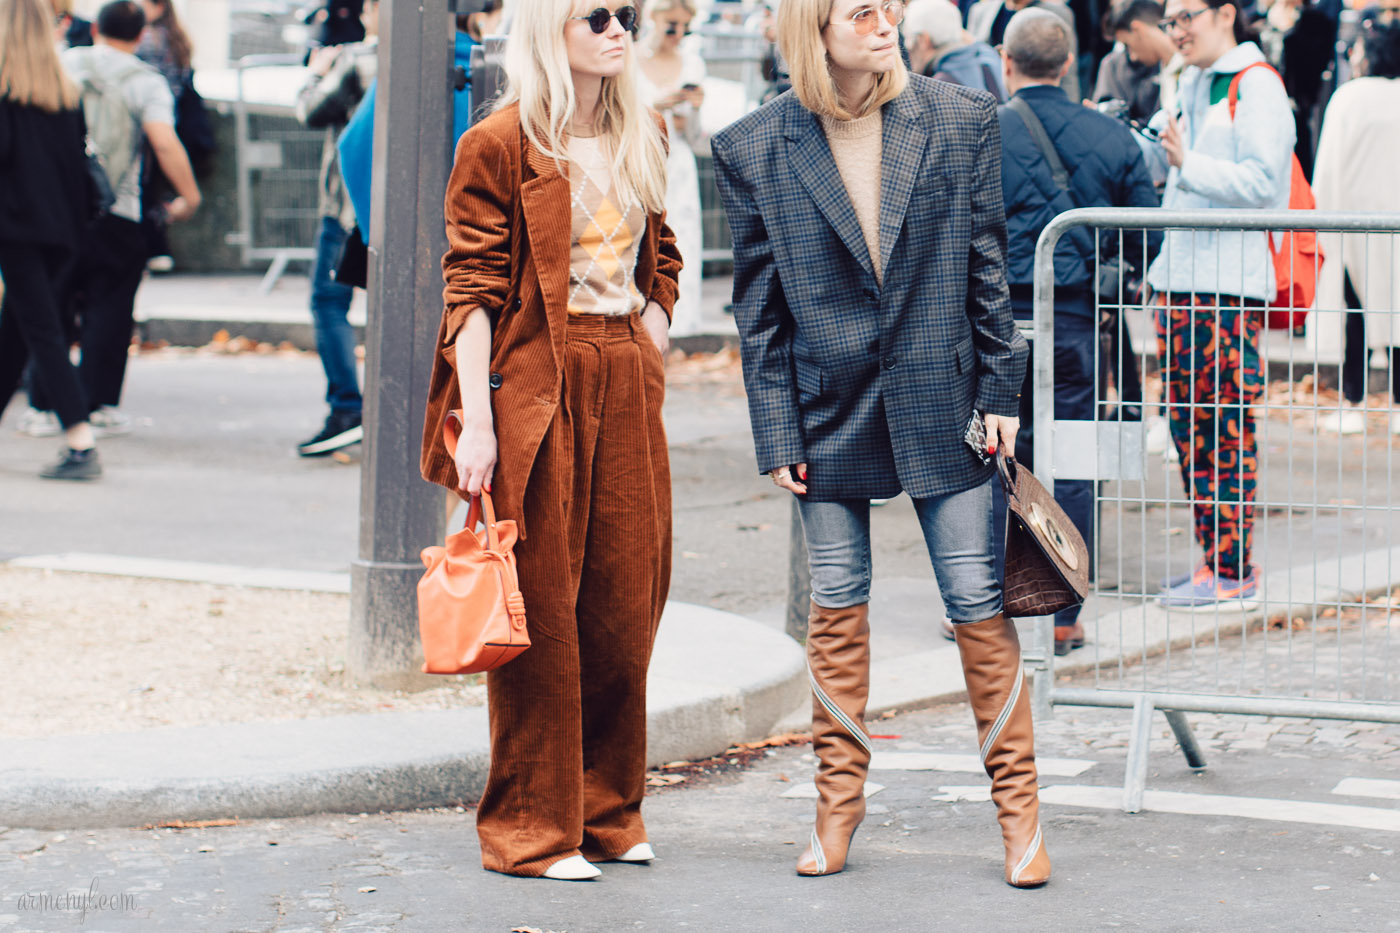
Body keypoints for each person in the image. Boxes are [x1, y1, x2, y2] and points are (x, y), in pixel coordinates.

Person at [711, 0, 1050, 887]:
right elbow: (759, 311)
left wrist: (1000, 391)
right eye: (861, 10)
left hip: (945, 391)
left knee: (978, 597)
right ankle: (836, 807)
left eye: (890, 7)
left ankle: (1021, 818)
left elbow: (988, 264)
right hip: (827, 405)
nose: (884, 21)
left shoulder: (959, 116)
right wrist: (777, 425)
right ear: (812, 29)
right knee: (837, 601)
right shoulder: (754, 147)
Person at [419, 0, 681, 880]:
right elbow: (472, 292)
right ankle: (533, 828)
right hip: (538, 379)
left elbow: (666, 257)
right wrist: (478, 423)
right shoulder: (497, 144)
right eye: (596, 16)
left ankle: (609, 809)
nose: (618, 30)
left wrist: (651, 329)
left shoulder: (647, 135)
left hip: (623, 371)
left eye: (627, 15)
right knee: (542, 610)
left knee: (625, 600)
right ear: (547, 32)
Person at [995, 7, 1160, 652]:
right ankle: (1063, 614)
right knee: (1075, 456)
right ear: (1067, 65)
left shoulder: (979, 133)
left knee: (995, 458)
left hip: (997, 325)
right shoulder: (1112, 137)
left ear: (1007, 63)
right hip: (1079, 321)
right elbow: (1148, 237)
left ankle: (985, 610)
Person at [1147, 0, 1294, 610]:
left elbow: (1264, 183)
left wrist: (1188, 162)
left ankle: (1234, 569)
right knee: (1190, 428)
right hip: (1185, 282)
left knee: (1223, 427)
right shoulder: (1195, 81)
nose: (1177, 30)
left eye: (1187, 16)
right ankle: (1218, 563)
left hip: (1227, 288)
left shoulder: (1256, 85)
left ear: (1225, 14)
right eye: (1170, 20)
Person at [55, 0, 200, 434]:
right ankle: (96, 404)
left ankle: (44, 406)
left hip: (61, 208)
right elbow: (164, 142)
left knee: (53, 305)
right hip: (119, 210)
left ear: (95, 28)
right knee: (111, 308)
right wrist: (189, 197)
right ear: (139, 36)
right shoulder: (146, 81)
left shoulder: (64, 65)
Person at [0, 0, 100, 478]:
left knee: (41, 333)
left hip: (16, 230)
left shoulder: (4, 93)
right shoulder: (64, 94)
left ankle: (81, 440)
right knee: (17, 334)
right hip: (62, 232)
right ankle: (80, 439)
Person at [293, 0, 377, 457]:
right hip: (406, 204)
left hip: (347, 206)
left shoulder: (358, 60)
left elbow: (309, 110)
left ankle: (347, 407)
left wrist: (315, 69)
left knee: (328, 301)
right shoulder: (447, 55)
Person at [1312, 21, 1400, 436]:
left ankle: (1354, 400)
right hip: (1394, 225)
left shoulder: (1348, 98)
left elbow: (1328, 165)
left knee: (1357, 313)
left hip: (1356, 226)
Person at [638, 0, 706, 336]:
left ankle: (680, 324)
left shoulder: (692, 62)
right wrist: (656, 106)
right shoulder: (630, 58)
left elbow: (693, 135)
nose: (677, 34)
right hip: (641, 158)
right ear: (654, 17)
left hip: (677, 160)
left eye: (684, 28)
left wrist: (692, 110)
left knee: (683, 237)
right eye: (671, 26)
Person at [966, 0, 1080, 100]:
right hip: (990, 100)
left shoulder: (1057, 14)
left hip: (1035, 103)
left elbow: (1068, 72)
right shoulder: (981, 11)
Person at [1095, 0, 1182, 121]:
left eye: (1128, 45)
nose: (1132, 56)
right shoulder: (1166, 68)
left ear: (1137, 29)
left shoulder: (1189, 66)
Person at [903, 0, 1006, 99]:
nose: (907, 46)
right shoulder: (986, 58)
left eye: (909, 37)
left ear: (923, 40)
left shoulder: (937, 87)